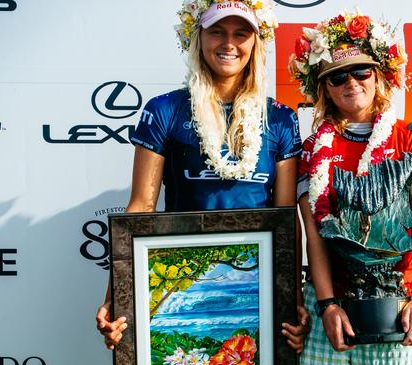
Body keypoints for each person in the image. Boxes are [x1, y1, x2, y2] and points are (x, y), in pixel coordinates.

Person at [95, 0, 308, 354]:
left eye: (241, 34)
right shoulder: (164, 109)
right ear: (198, 37)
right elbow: (140, 208)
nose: (228, 44)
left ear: (255, 42)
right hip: (182, 285)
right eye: (217, 32)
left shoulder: (281, 118)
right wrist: (116, 298)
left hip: (256, 289)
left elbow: (287, 221)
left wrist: (293, 304)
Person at [289, 9, 412, 364]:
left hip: (396, 304)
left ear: (379, 77)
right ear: (323, 88)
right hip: (331, 308)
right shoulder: (312, 148)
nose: (351, 83)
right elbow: (314, 236)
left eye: (361, 71)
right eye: (337, 76)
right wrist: (327, 305)